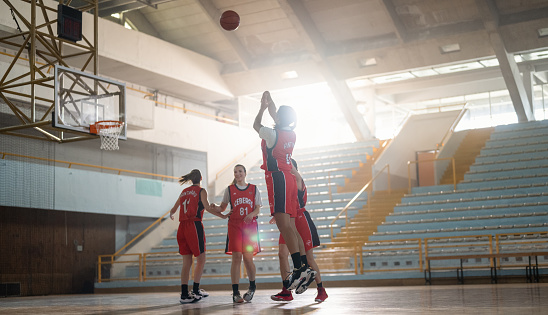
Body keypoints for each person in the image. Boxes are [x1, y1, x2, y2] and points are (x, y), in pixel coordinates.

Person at [253, 90, 313, 292]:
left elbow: (255, 125)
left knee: (283, 225)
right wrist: (269, 101)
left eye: (277, 113)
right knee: (288, 227)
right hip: (286, 177)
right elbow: (276, 114)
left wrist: (261, 108)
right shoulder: (289, 132)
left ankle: (299, 267)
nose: (274, 114)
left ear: (280, 118)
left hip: (277, 178)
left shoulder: (272, 134)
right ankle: (301, 266)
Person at [270, 159, 328, 303]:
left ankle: (321, 290)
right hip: (288, 220)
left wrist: (287, 162)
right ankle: (286, 290)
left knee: (308, 259)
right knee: (282, 254)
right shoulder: (284, 182)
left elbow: (296, 175)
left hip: (301, 220)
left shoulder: (297, 179)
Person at [169, 169, 227, 304]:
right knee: (201, 259)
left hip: (181, 227)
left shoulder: (184, 192)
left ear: (190, 179)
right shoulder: (201, 191)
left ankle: (184, 294)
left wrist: (171, 214)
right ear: (201, 178)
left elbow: (173, 209)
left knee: (186, 262)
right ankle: (195, 290)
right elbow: (207, 207)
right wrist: (223, 215)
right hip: (194, 226)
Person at [210, 164, 262, 303]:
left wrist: (251, 214)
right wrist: (215, 208)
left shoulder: (254, 189)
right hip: (235, 226)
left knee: (248, 258)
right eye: (235, 172)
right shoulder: (229, 189)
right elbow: (222, 207)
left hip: (250, 227)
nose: (237, 173)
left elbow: (258, 209)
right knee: (237, 257)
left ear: (245, 173)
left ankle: (252, 287)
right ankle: (235, 292)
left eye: (240, 171)